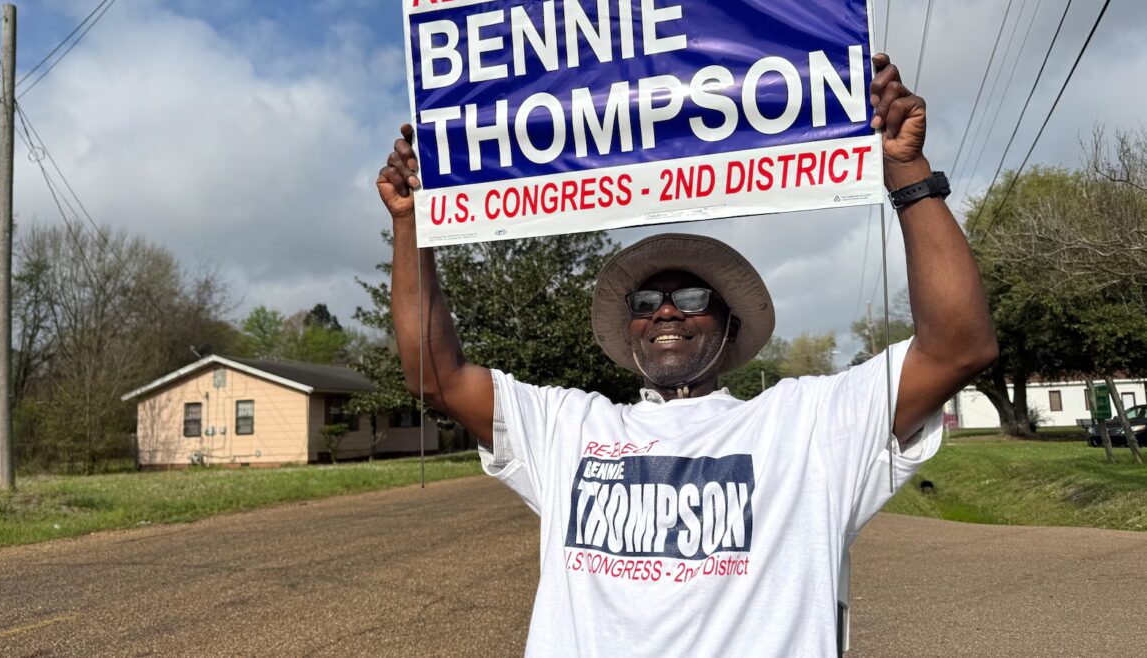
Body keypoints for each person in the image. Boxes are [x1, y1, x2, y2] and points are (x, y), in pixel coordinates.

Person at [376, 54, 996, 656]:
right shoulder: (568, 427)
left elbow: (958, 348)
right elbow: (436, 377)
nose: (665, 312)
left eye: (691, 296)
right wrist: (411, 223)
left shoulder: (807, 425)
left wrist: (907, 174)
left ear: (730, 326)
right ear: (631, 329)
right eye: (646, 300)